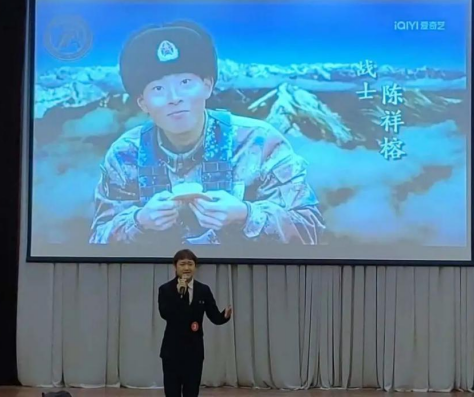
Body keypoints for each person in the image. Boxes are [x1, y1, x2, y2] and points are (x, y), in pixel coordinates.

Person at [89, 20, 325, 246]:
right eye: (158, 88)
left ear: (208, 86)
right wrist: (139, 222)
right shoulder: (125, 154)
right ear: (143, 103)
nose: (174, 98)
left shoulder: (260, 142)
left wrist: (245, 215)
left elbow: (310, 228)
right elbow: (98, 237)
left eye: (185, 82)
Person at [159, 249, 232, 397]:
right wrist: (179, 295)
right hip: (172, 350)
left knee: (191, 391)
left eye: (190, 264)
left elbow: (214, 316)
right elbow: (165, 314)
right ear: (175, 266)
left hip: (194, 350)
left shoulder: (203, 290)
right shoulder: (166, 289)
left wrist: (224, 316)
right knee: (172, 391)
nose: (186, 268)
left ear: (195, 267)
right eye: (182, 264)